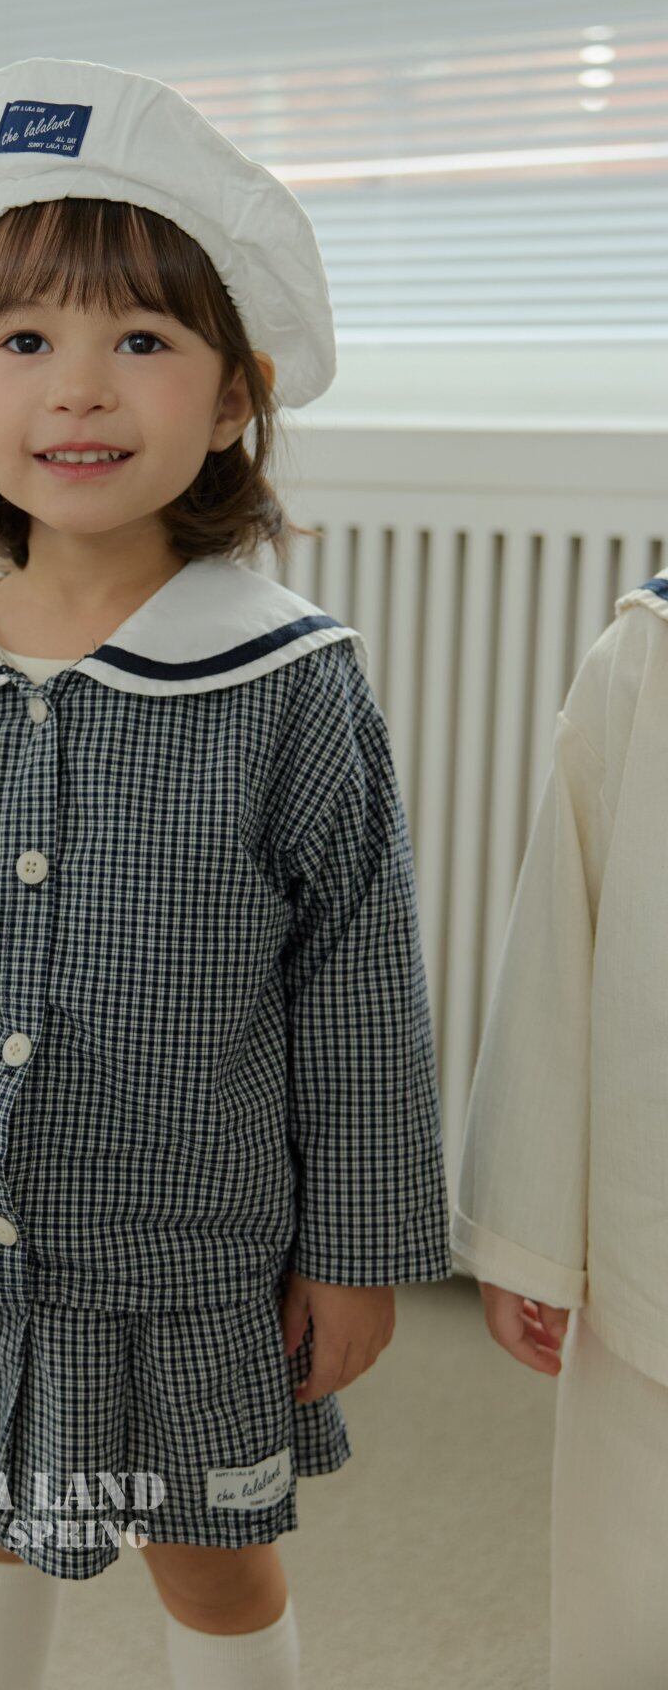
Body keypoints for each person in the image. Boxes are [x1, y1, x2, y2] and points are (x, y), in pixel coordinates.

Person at [0, 57, 453, 1690]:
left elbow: (358, 991)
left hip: (181, 1254)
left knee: (211, 1556)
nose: (79, 392)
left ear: (235, 394)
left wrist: (356, 1250)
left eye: (140, 341)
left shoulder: (288, 686)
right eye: (25, 343)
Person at [450, 567, 668, 1690]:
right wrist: (528, 1233)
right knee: (636, 1581)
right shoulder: (647, 654)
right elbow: (558, 939)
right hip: (653, 1249)